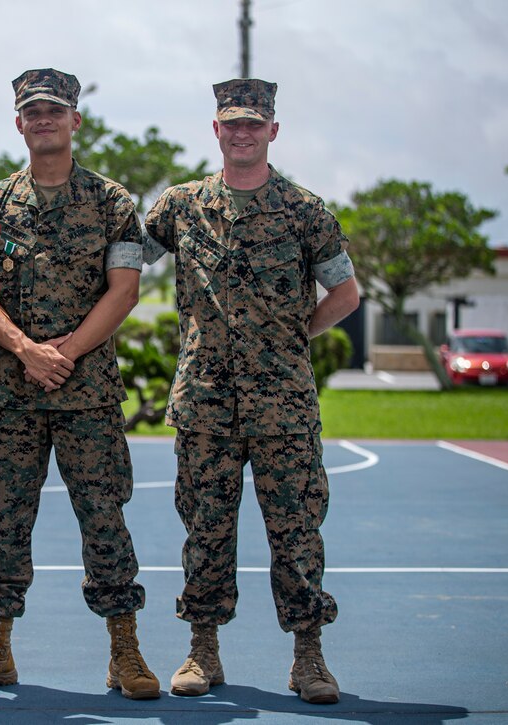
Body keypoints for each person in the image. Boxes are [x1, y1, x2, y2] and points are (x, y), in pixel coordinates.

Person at [143, 78, 360, 704]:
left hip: (283, 406)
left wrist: (298, 335)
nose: (243, 133)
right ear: (216, 130)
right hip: (205, 403)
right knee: (205, 528)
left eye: (254, 124)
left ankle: (308, 659)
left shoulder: (305, 210)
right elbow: (125, 265)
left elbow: (345, 294)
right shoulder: (179, 206)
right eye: (231, 123)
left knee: (296, 531)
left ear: (272, 132)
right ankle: (202, 651)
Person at [0, 68, 160, 701]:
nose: (44, 120)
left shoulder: (113, 204)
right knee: (5, 517)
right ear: (19, 124)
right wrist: (23, 350)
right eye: (32, 112)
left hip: (87, 393)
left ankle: (126, 649)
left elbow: (124, 291)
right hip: (13, 395)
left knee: (104, 518)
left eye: (55, 111)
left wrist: (60, 353)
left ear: (75, 120)